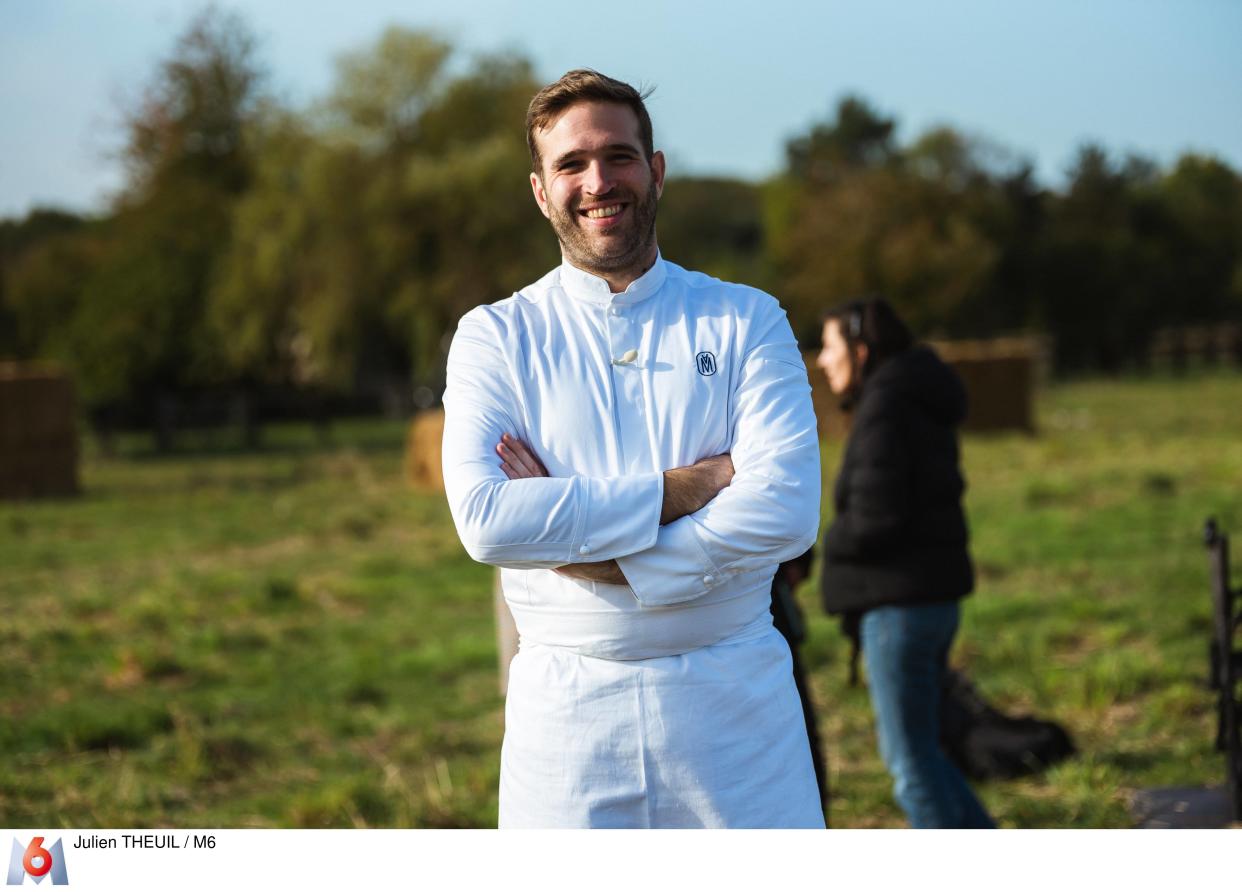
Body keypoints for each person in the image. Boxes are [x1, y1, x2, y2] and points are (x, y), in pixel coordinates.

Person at [441, 69, 823, 828]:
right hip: (567, 725)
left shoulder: (747, 319)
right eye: (571, 165)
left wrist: (594, 554)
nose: (597, 182)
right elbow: (488, 521)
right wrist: (685, 488)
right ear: (540, 191)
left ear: (655, 171)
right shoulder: (496, 335)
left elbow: (786, 510)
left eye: (618, 157)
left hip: (737, 715)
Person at [815, 298, 995, 829]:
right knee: (928, 756)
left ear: (861, 351)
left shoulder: (886, 406)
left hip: (900, 610)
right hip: (930, 602)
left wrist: (822, 546)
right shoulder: (911, 397)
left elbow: (876, 516)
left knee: (910, 769)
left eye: (829, 348)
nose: (823, 361)